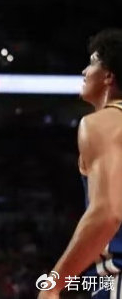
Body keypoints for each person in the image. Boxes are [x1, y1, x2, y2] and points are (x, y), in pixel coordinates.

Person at [39, 29, 122, 299]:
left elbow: (107, 214)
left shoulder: (102, 123)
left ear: (108, 76)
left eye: (93, 62)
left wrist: (54, 283)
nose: (85, 71)